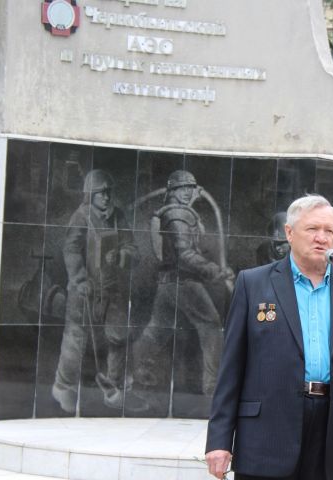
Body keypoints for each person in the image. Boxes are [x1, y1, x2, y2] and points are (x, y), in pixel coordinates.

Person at [205, 194, 333, 480]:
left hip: (332, 431)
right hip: (267, 433)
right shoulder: (253, 284)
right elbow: (231, 369)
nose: (321, 238)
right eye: (312, 229)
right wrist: (219, 440)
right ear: (289, 233)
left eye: (329, 231)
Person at [52, 169, 147, 413]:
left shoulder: (118, 217)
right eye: (101, 193)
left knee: (118, 337)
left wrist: (122, 255)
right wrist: (79, 279)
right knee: (76, 337)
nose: (106, 197)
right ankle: (63, 387)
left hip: (112, 289)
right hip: (85, 289)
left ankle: (114, 390)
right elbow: (71, 250)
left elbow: (133, 248)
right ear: (90, 194)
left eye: (108, 192)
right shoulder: (81, 217)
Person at [135, 170, 234, 397]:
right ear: (173, 191)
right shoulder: (179, 214)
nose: (189, 192)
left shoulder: (170, 212)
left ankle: (133, 368)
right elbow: (184, 254)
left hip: (167, 284)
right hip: (185, 282)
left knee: (157, 329)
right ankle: (213, 387)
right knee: (211, 327)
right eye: (184, 188)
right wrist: (213, 270)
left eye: (191, 187)